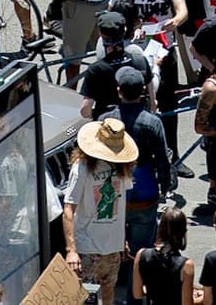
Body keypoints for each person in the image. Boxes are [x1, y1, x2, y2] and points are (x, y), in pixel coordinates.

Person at [65, 116, 139, 301]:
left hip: (112, 247)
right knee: (84, 296)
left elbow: (121, 201)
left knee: (108, 291)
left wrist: (122, 237)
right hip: (87, 246)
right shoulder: (81, 167)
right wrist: (71, 249)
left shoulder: (121, 166)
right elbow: (68, 209)